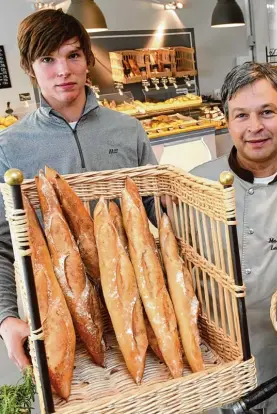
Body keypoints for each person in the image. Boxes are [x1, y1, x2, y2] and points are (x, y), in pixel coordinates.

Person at [0, 9, 157, 371]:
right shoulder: (10, 147)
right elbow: (2, 243)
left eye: (73, 55)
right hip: (63, 323)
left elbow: (152, 211)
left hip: (138, 308)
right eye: (47, 59)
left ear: (87, 59)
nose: (63, 70)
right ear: (29, 67)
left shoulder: (127, 130)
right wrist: (7, 317)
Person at [191, 62, 277, 413]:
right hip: (214, 374)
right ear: (227, 122)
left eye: (267, 112)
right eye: (241, 115)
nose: (254, 127)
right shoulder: (194, 185)